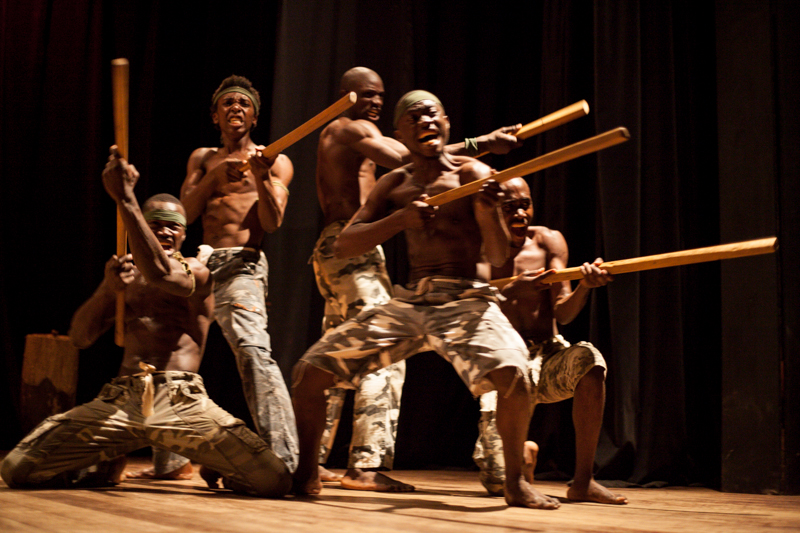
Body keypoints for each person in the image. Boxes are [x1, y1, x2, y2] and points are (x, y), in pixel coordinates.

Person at [291, 90, 560, 509]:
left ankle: (514, 484)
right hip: (410, 303)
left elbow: (496, 256)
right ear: (400, 134)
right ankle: (307, 471)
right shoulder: (394, 184)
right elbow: (345, 244)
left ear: (447, 123)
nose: (426, 122)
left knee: (515, 375)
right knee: (309, 371)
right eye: (414, 117)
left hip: (466, 301)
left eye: (433, 114)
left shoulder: (473, 173)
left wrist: (487, 211)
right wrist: (400, 219)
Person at [0, 147, 291, 497]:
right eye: (156, 225)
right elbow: (79, 338)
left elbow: (160, 274)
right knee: (17, 468)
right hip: (122, 400)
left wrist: (125, 199)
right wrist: (107, 292)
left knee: (273, 479)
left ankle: (219, 462)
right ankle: (102, 458)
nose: (165, 232)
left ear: (184, 234)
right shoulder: (125, 276)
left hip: (180, 402)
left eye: (173, 227)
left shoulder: (196, 272)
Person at [472, 177, 628, 505]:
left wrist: (584, 286)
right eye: (509, 207)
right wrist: (513, 290)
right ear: (493, 209)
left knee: (590, 362)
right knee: (498, 481)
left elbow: (563, 312)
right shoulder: (479, 247)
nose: (520, 213)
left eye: (525, 204)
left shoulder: (547, 241)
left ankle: (583, 481)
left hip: (546, 354)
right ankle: (522, 452)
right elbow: (473, 313)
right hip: (503, 362)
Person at [179, 75, 298, 475]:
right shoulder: (202, 158)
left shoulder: (276, 160)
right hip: (200, 262)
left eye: (244, 104)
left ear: (254, 117)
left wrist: (261, 176)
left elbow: (273, 222)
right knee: (171, 353)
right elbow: (184, 216)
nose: (236, 108)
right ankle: (171, 459)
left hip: (242, 264)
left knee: (252, 351)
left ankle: (285, 458)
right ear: (215, 116)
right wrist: (215, 176)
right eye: (227, 103)